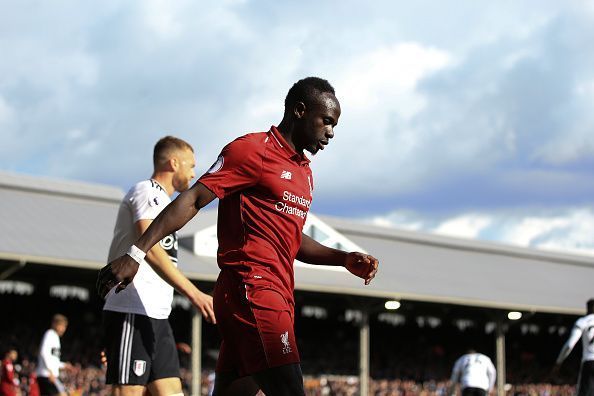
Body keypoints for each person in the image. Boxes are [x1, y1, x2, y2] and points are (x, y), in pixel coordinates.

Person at [97, 77, 379, 396]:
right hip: (253, 290)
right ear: (300, 111)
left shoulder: (305, 173)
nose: (331, 132)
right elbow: (193, 199)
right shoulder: (252, 150)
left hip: (277, 294)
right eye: (326, 121)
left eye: (335, 125)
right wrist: (136, 254)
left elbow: (291, 238)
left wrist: (342, 259)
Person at [101, 136, 215, 396]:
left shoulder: (168, 205)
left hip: (158, 315)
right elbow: (148, 249)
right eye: (191, 165)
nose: (193, 173)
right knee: (127, 392)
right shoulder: (146, 191)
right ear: (174, 162)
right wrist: (194, 293)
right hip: (131, 308)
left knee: (173, 392)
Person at [554, 298, 594, 396]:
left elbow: (569, 345)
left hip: (589, 361)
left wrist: (558, 362)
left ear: (588, 309)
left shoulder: (583, 321)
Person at [36, 314, 71, 396]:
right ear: (55, 324)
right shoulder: (50, 334)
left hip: (48, 375)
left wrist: (64, 365)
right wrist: (50, 372)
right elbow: (43, 352)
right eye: (62, 326)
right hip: (46, 375)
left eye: (65, 326)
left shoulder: (56, 337)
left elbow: (53, 360)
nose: (64, 329)